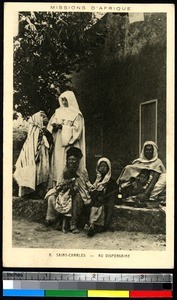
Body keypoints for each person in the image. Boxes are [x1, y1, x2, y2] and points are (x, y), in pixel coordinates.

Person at [45, 147, 91, 233]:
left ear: (78, 161)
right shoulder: (64, 170)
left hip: (78, 192)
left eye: (74, 160)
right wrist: (63, 188)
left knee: (77, 198)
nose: (71, 162)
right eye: (69, 159)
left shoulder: (82, 171)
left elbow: (85, 183)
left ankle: (73, 224)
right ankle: (56, 220)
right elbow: (59, 183)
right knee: (52, 197)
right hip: (64, 191)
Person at [47, 91, 86, 188]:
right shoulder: (57, 112)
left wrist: (63, 127)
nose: (64, 102)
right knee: (57, 163)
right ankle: (57, 186)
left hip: (70, 143)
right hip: (58, 142)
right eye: (62, 100)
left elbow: (78, 130)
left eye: (66, 100)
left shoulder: (77, 114)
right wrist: (54, 127)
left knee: (69, 161)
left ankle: (70, 185)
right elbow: (50, 127)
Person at [14, 111, 53, 198]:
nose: (46, 119)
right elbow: (33, 145)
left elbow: (50, 142)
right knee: (33, 172)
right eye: (44, 117)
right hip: (36, 156)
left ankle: (39, 192)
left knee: (41, 173)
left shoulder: (44, 130)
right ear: (40, 119)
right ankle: (30, 192)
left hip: (43, 154)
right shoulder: (35, 132)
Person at [117, 141, 166, 207]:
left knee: (165, 177)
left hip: (150, 186)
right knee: (128, 168)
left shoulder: (157, 162)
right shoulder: (138, 162)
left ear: (154, 151)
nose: (148, 152)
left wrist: (146, 193)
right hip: (138, 184)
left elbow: (154, 179)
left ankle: (147, 197)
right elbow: (130, 174)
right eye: (146, 150)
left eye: (150, 150)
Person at [86, 157, 118, 237]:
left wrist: (103, 197)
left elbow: (112, 192)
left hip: (105, 199)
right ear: (98, 167)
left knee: (100, 208)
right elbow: (91, 188)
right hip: (95, 198)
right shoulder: (95, 178)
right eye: (101, 166)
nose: (103, 168)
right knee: (92, 206)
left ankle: (97, 226)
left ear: (108, 168)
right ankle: (91, 226)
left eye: (105, 166)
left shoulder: (111, 180)